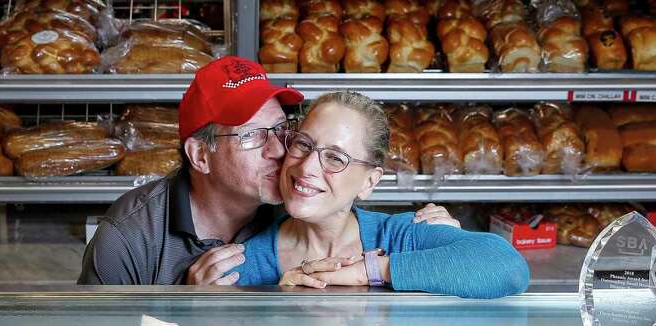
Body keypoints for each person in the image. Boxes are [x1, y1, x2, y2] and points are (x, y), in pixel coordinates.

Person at [79, 57, 459, 286]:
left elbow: (349, 217)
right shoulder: (128, 237)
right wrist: (184, 313)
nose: (281, 150)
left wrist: (431, 234)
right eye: (253, 136)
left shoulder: (293, 201)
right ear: (201, 156)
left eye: (280, 129)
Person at [226, 91, 530, 297]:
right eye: (303, 145)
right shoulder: (246, 263)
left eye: (335, 158)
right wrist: (282, 307)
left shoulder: (401, 237)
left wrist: (371, 270)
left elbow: (506, 266)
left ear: (369, 182)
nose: (306, 168)